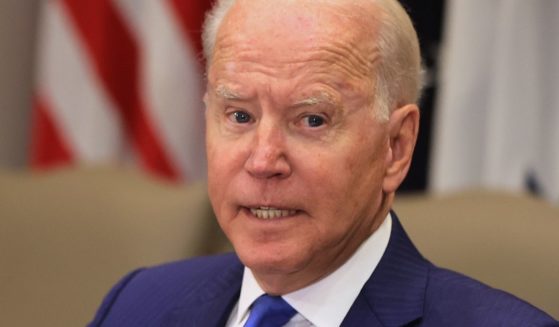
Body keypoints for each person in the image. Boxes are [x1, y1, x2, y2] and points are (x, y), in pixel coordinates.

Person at [89, 0, 557, 326]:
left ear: (395, 146)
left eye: (311, 119)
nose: (263, 159)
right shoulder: (137, 305)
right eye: (239, 115)